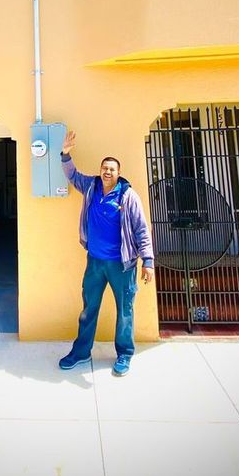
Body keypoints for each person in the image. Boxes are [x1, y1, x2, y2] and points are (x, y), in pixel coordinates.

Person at [58, 130, 154, 377]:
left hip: (123, 265)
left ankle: (124, 354)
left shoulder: (128, 195)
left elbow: (142, 229)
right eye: (104, 168)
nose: (107, 172)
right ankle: (81, 352)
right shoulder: (91, 186)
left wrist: (148, 261)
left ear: (118, 173)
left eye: (112, 169)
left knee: (125, 311)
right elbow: (72, 175)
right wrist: (65, 153)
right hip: (95, 262)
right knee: (89, 308)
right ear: (100, 170)